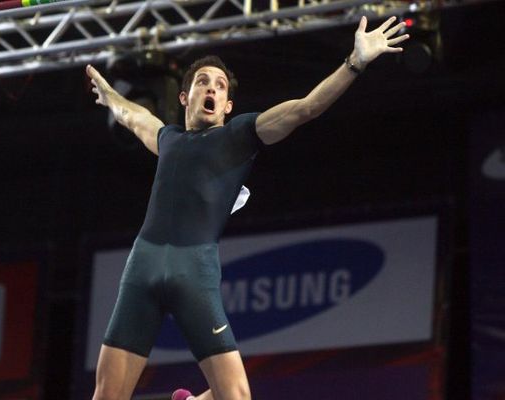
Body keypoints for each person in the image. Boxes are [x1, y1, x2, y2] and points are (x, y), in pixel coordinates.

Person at [86, 15, 409, 400]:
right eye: (202, 82)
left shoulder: (239, 135)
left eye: (220, 86)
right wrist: (112, 98)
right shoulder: (168, 139)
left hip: (194, 273)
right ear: (184, 97)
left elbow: (305, 108)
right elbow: (135, 117)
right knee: (106, 396)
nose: (211, 88)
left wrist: (354, 63)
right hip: (143, 268)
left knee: (237, 398)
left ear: (227, 105)